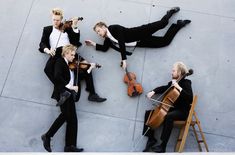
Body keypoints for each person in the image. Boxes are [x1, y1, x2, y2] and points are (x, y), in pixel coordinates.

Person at [85, 7, 191, 70]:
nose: (98, 33)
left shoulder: (114, 28)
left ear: (104, 27)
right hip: (140, 42)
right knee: (165, 41)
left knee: (163, 23)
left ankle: (170, 12)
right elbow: (104, 48)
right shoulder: (108, 39)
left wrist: (124, 59)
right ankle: (178, 25)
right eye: (97, 32)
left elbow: (121, 41)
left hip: (140, 32)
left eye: (99, 31)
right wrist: (93, 44)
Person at [39, 8, 106, 102]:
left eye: (58, 20)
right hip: (57, 54)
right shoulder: (47, 29)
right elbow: (42, 43)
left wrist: (74, 26)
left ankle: (92, 94)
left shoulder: (67, 28)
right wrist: (48, 50)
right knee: (47, 69)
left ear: (61, 19)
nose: (55, 22)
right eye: (54, 19)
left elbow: (75, 41)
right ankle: (62, 90)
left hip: (70, 52)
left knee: (87, 66)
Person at [142, 61, 193, 152]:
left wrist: (178, 87)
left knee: (169, 116)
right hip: (173, 109)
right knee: (149, 113)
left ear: (180, 72)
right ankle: (151, 139)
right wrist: (153, 91)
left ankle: (163, 146)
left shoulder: (186, 83)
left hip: (182, 111)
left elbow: (190, 98)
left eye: (173, 71)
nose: (171, 72)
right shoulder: (172, 83)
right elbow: (163, 88)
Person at [41, 45, 84, 152]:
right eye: (72, 54)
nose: (74, 57)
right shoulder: (60, 61)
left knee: (72, 119)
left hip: (69, 93)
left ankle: (70, 146)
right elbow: (57, 76)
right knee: (66, 115)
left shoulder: (69, 64)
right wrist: (71, 87)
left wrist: (89, 67)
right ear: (65, 53)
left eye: (74, 54)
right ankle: (47, 136)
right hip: (62, 93)